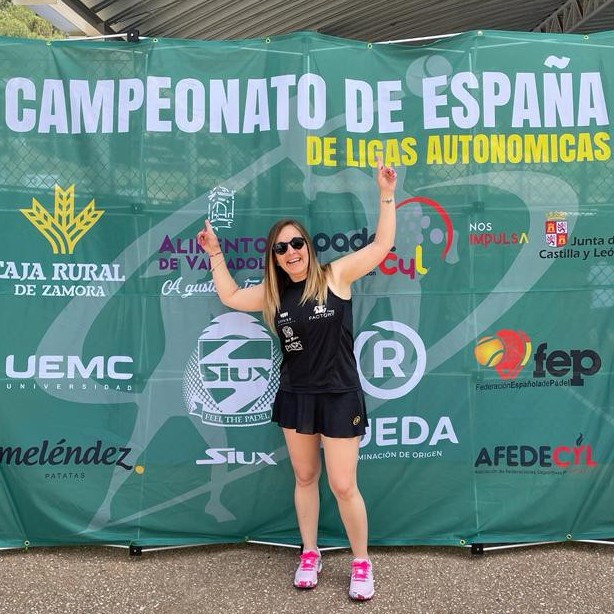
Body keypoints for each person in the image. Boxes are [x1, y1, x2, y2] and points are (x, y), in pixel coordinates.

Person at [196, 158, 397, 601]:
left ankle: (361, 562)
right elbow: (230, 295)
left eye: (297, 243)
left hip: (340, 395)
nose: (291, 252)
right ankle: (310, 553)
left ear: (308, 245)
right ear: (275, 257)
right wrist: (215, 254)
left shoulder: (336, 276)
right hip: (297, 396)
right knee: (305, 477)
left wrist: (386, 194)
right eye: (281, 248)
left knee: (343, 485)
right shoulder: (274, 294)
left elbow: (382, 245)